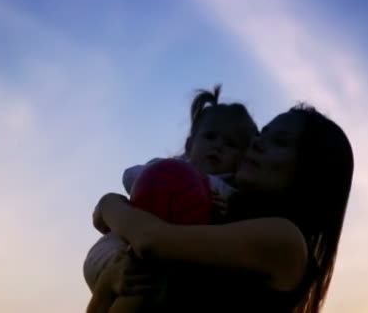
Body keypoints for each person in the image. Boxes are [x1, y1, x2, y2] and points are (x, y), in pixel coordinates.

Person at [92, 103, 354, 312]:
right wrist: (110, 282)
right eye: (262, 134)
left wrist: (109, 205)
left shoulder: (286, 240)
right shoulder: (217, 218)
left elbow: (151, 239)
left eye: (280, 142)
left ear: (311, 173)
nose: (257, 143)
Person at [84, 85, 258, 312]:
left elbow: (226, 223)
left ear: (242, 159)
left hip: (162, 256)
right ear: (189, 144)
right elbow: (131, 177)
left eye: (231, 143)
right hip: (118, 246)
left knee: (149, 282)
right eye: (210, 136)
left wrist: (222, 210)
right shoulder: (171, 168)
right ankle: (115, 273)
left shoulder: (229, 191)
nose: (218, 145)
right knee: (129, 267)